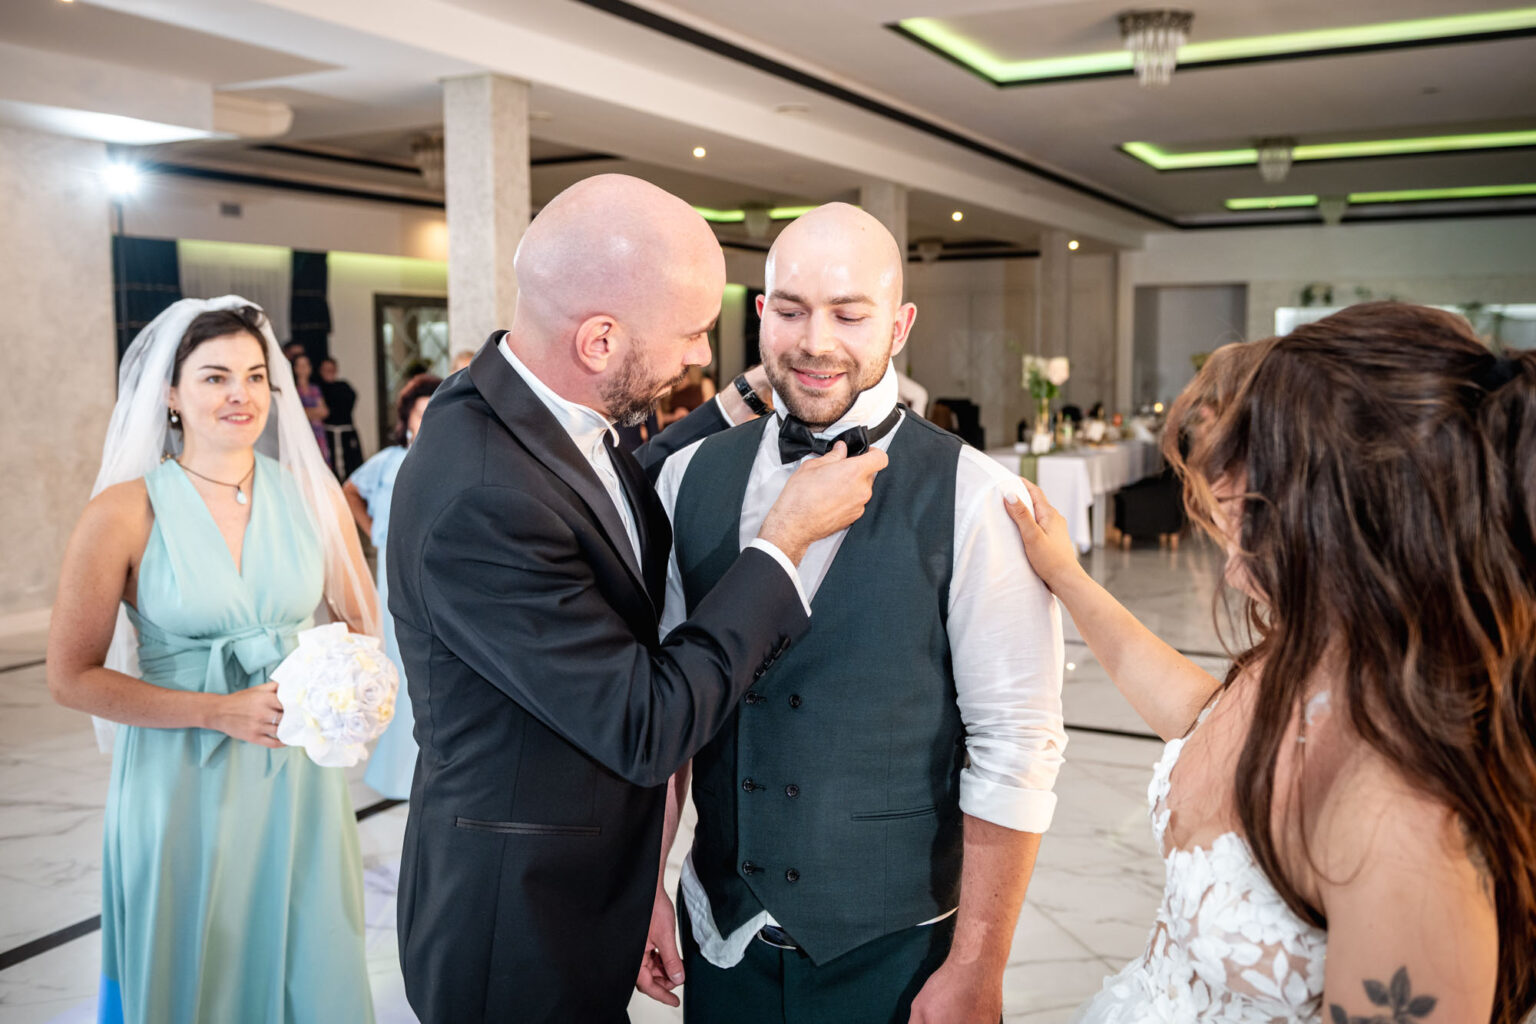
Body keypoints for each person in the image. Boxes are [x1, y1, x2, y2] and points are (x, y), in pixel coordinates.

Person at [386, 174, 889, 1024]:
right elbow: (645, 723)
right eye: (690, 334)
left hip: (586, 885)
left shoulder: (524, 404)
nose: (700, 356)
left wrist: (732, 409)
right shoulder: (480, 498)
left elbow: (604, 488)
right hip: (515, 926)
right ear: (600, 340)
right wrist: (783, 542)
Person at [1004, 306, 1536, 1024]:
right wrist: (1068, 577)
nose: (1230, 557)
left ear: (1360, 517)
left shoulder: (1409, 832)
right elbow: (1207, 721)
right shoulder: (1314, 648)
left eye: (1255, 503)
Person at [644, 203, 1066, 1024]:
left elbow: (1016, 742)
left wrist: (978, 963)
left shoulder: (978, 496)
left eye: (849, 314)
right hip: (718, 937)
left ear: (899, 326)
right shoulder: (684, 476)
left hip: (896, 952)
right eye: (792, 310)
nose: (816, 341)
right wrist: (646, 884)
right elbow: (669, 715)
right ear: (760, 315)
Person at [46, 298, 381, 1023]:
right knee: (195, 957)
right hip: (178, 777)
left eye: (256, 376)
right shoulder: (123, 512)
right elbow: (70, 677)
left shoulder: (311, 496)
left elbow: (362, 623)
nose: (241, 395)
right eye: (215, 377)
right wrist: (216, 711)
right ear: (170, 394)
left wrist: (344, 696)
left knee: (307, 952)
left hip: (295, 776)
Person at [343, 372, 441, 800]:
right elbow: (349, 491)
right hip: (391, 568)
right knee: (398, 657)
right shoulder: (387, 461)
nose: (427, 419)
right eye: (420, 413)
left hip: (433, 570)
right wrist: (374, 532)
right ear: (407, 418)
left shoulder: (450, 458)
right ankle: (396, 770)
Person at [318, 356, 364, 479]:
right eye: (326, 369)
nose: (329, 372)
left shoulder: (344, 386)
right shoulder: (318, 388)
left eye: (331, 369)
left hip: (347, 434)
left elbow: (348, 403)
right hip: (328, 435)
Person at [289, 352, 330, 466]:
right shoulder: (292, 390)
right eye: (300, 365)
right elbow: (295, 414)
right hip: (301, 433)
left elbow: (324, 412)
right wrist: (313, 412)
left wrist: (306, 412)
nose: (303, 369)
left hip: (318, 432)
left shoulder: (315, 389)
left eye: (306, 365)